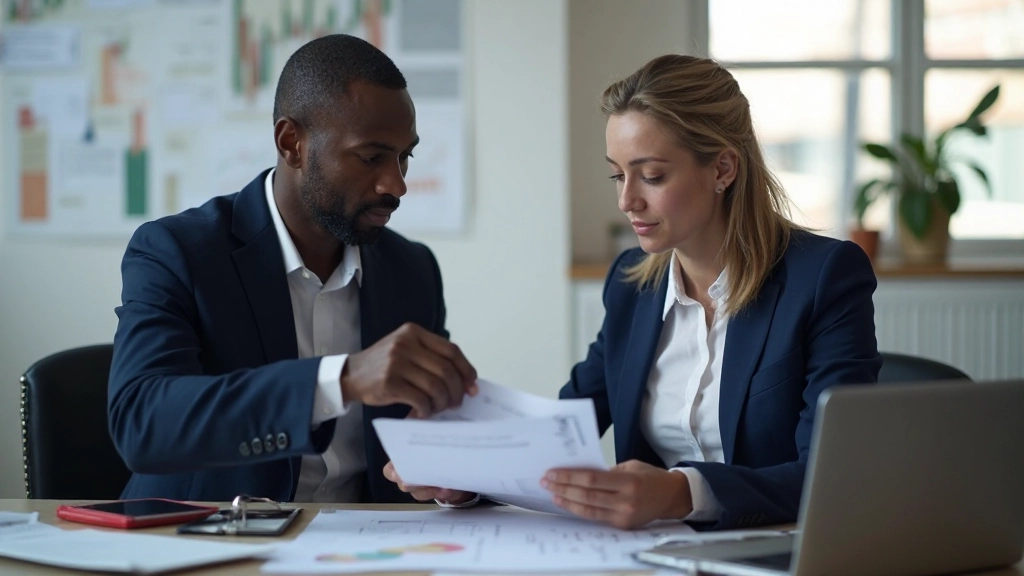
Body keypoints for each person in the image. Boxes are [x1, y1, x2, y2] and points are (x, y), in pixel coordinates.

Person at [383, 54, 881, 527]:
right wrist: (464, 476)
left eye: (652, 176)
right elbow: (561, 431)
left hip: (779, 554)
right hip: (652, 555)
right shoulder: (631, 284)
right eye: (617, 175)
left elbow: (832, 473)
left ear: (723, 169)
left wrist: (682, 492)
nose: (627, 200)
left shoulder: (824, 277)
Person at [108, 34, 478, 504]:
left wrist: (454, 479)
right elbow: (142, 423)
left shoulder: (412, 270)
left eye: (405, 157)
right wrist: (341, 380)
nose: (396, 184)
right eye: (372, 157)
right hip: (207, 537)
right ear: (292, 143)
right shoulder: (178, 252)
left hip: (367, 540)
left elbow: (434, 436)